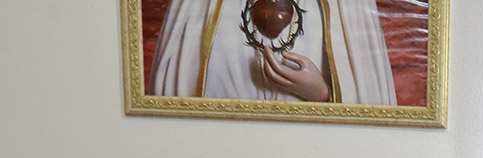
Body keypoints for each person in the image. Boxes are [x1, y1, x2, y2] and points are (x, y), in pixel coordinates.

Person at [147, 0, 398, 103]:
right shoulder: (200, 5)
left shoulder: (347, 5)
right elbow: (172, 96)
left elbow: (370, 105)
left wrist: (322, 95)